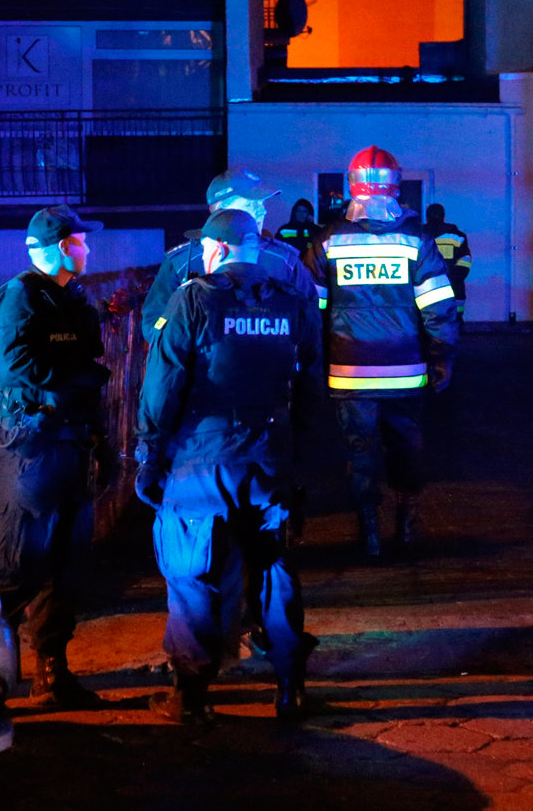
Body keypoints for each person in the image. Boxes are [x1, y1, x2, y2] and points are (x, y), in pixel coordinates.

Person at [134, 208, 322, 724]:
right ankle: (291, 689)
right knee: (275, 572)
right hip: (271, 461)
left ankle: (191, 696)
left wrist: (148, 455)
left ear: (214, 251)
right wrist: (300, 459)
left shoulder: (194, 298)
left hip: (203, 463)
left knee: (193, 574)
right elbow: (311, 388)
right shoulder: (293, 303)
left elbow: (162, 386)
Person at [0, 205, 112, 709]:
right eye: (82, 241)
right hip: (31, 451)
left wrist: (97, 432)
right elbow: (10, 365)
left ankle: (52, 674)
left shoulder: (72, 300)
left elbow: (89, 365)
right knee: (16, 563)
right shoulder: (20, 297)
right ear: (63, 246)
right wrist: (69, 384)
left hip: (70, 444)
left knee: (65, 565)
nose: (88, 249)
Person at [304, 147, 459, 558]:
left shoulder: (327, 242)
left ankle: (369, 531)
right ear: (396, 185)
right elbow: (439, 308)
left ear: (351, 187)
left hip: (348, 371)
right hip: (406, 371)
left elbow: (310, 313)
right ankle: (406, 523)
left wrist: (312, 367)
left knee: (359, 451)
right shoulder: (417, 241)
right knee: (407, 445)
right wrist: (443, 358)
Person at [140, 168, 316, 342]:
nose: (263, 211)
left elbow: (311, 321)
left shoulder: (284, 261)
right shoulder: (182, 263)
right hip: (205, 370)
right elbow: (154, 325)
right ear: (221, 210)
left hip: (272, 369)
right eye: (251, 204)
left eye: (262, 204)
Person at [422, 203, 472, 323]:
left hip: (425, 286)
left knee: (427, 322)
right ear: (443, 216)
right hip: (453, 286)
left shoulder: (418, 235)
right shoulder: (457, 236)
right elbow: (465, 260)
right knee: (454, 320)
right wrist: (454, 278)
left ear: (427, 216)